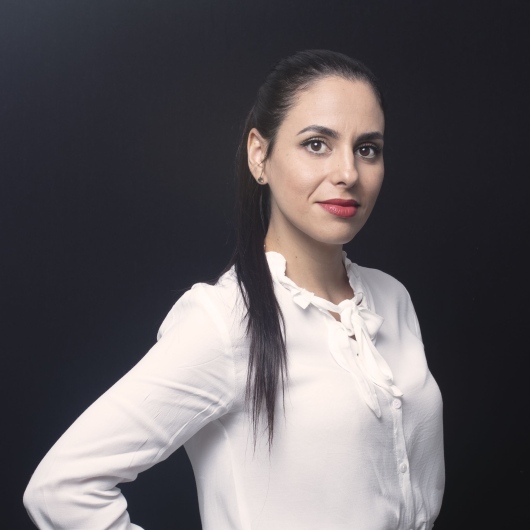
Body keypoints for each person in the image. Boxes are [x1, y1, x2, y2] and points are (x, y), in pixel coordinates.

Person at [23, 50, 445, 530]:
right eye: (317, 144)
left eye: (367, 149)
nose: (348, 173)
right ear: (259, 155)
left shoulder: (392, 299)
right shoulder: (225, 320)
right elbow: (62, 488)